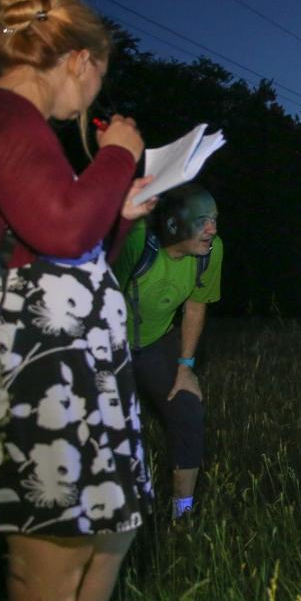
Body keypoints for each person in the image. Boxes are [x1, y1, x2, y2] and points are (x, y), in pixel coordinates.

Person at [0, 0, 154, 601]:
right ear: (80, 61)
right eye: (97, 80)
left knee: (105, 538)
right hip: (31, 375)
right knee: (44, 576)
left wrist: (118, 212)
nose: (90, 102)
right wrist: (117, 153)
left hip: (63, 368)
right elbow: (58, 229)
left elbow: (61, 244)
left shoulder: (7, 121)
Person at [112, 183, 222, 520]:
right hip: (112, 343)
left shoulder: (211, 251)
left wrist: (185, 366)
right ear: (174, 224)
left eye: (215, 219)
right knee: (113, 427)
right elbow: (100, 296)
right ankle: (116, 512)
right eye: (203, 221)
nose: (212, 230)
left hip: (158, 341)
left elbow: (195, 306)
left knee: (187, 408)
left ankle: (183, 513)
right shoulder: (137, 243)